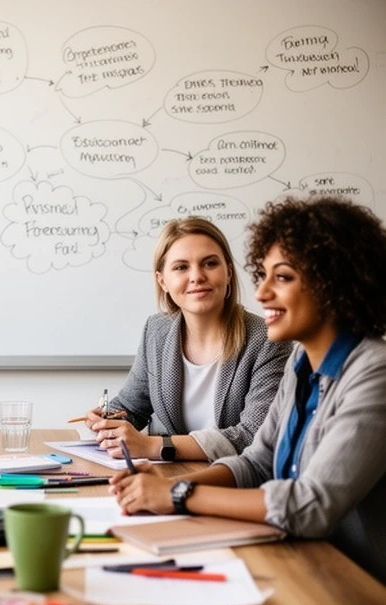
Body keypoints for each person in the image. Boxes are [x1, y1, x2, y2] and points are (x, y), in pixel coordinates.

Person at [109, 196, 386, 584]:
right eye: (265, 275)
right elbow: (257, 462)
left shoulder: (376, 373)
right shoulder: (302, 363)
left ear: (333, 283)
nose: (261, 293)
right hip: (296, 555)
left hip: (356, 577)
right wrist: (166, 486)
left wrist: (177, 497)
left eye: (283, 277)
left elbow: (311, 506)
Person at [84, 217, 291, 462]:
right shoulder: (156, 330)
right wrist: (109, 421)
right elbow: (131, 407)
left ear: (228, 272)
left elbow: (253, 435)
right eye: (181, 267)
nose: (197, 276)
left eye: (210, 263)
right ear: (163, 281)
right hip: (167, 478)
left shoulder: (268, 339)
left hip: (236, 486)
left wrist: (154, 446)